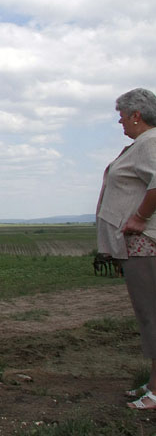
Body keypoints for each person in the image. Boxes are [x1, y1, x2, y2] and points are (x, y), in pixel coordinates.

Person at [96, 88, 156, 410]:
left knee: (152, 315)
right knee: (150, 315)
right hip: (138, 247)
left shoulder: (151, 142)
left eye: (122, 116)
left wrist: (139, 217)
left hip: (146, 246)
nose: (120, 122)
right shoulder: (142, 145)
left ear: (137, 115)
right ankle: (152, 385)